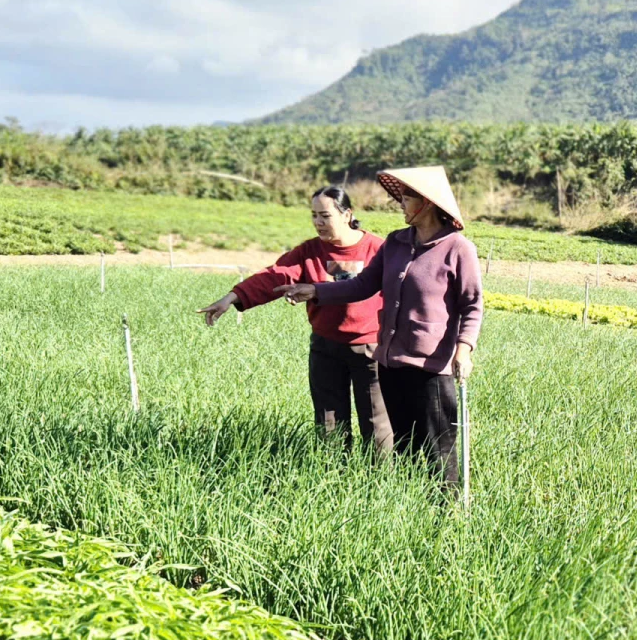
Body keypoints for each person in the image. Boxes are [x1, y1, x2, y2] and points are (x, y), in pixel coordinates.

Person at [285, 167, 481, 487]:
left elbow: (472, 305)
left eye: (406, 199)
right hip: (390, 363)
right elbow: (362, 285)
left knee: (438, 451)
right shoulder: (396, 243)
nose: (399, 205)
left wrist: (464, 350)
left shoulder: (458, 249)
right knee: (403, 448)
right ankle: (407, 507)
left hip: (432, 368)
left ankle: (448, 515)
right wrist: (316, 290)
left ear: (427, 203)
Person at [198, 186, 391, 452]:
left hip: (370, 349)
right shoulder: (309, 252)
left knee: (377, 422)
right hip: (326, 348)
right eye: (313, 215)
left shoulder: (379, 250)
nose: (318, 222)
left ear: (347, 215)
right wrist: (232, 297)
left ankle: (380, 482)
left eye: (325, 215)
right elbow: (274, 276)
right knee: (329, 423)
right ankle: (333, 476)